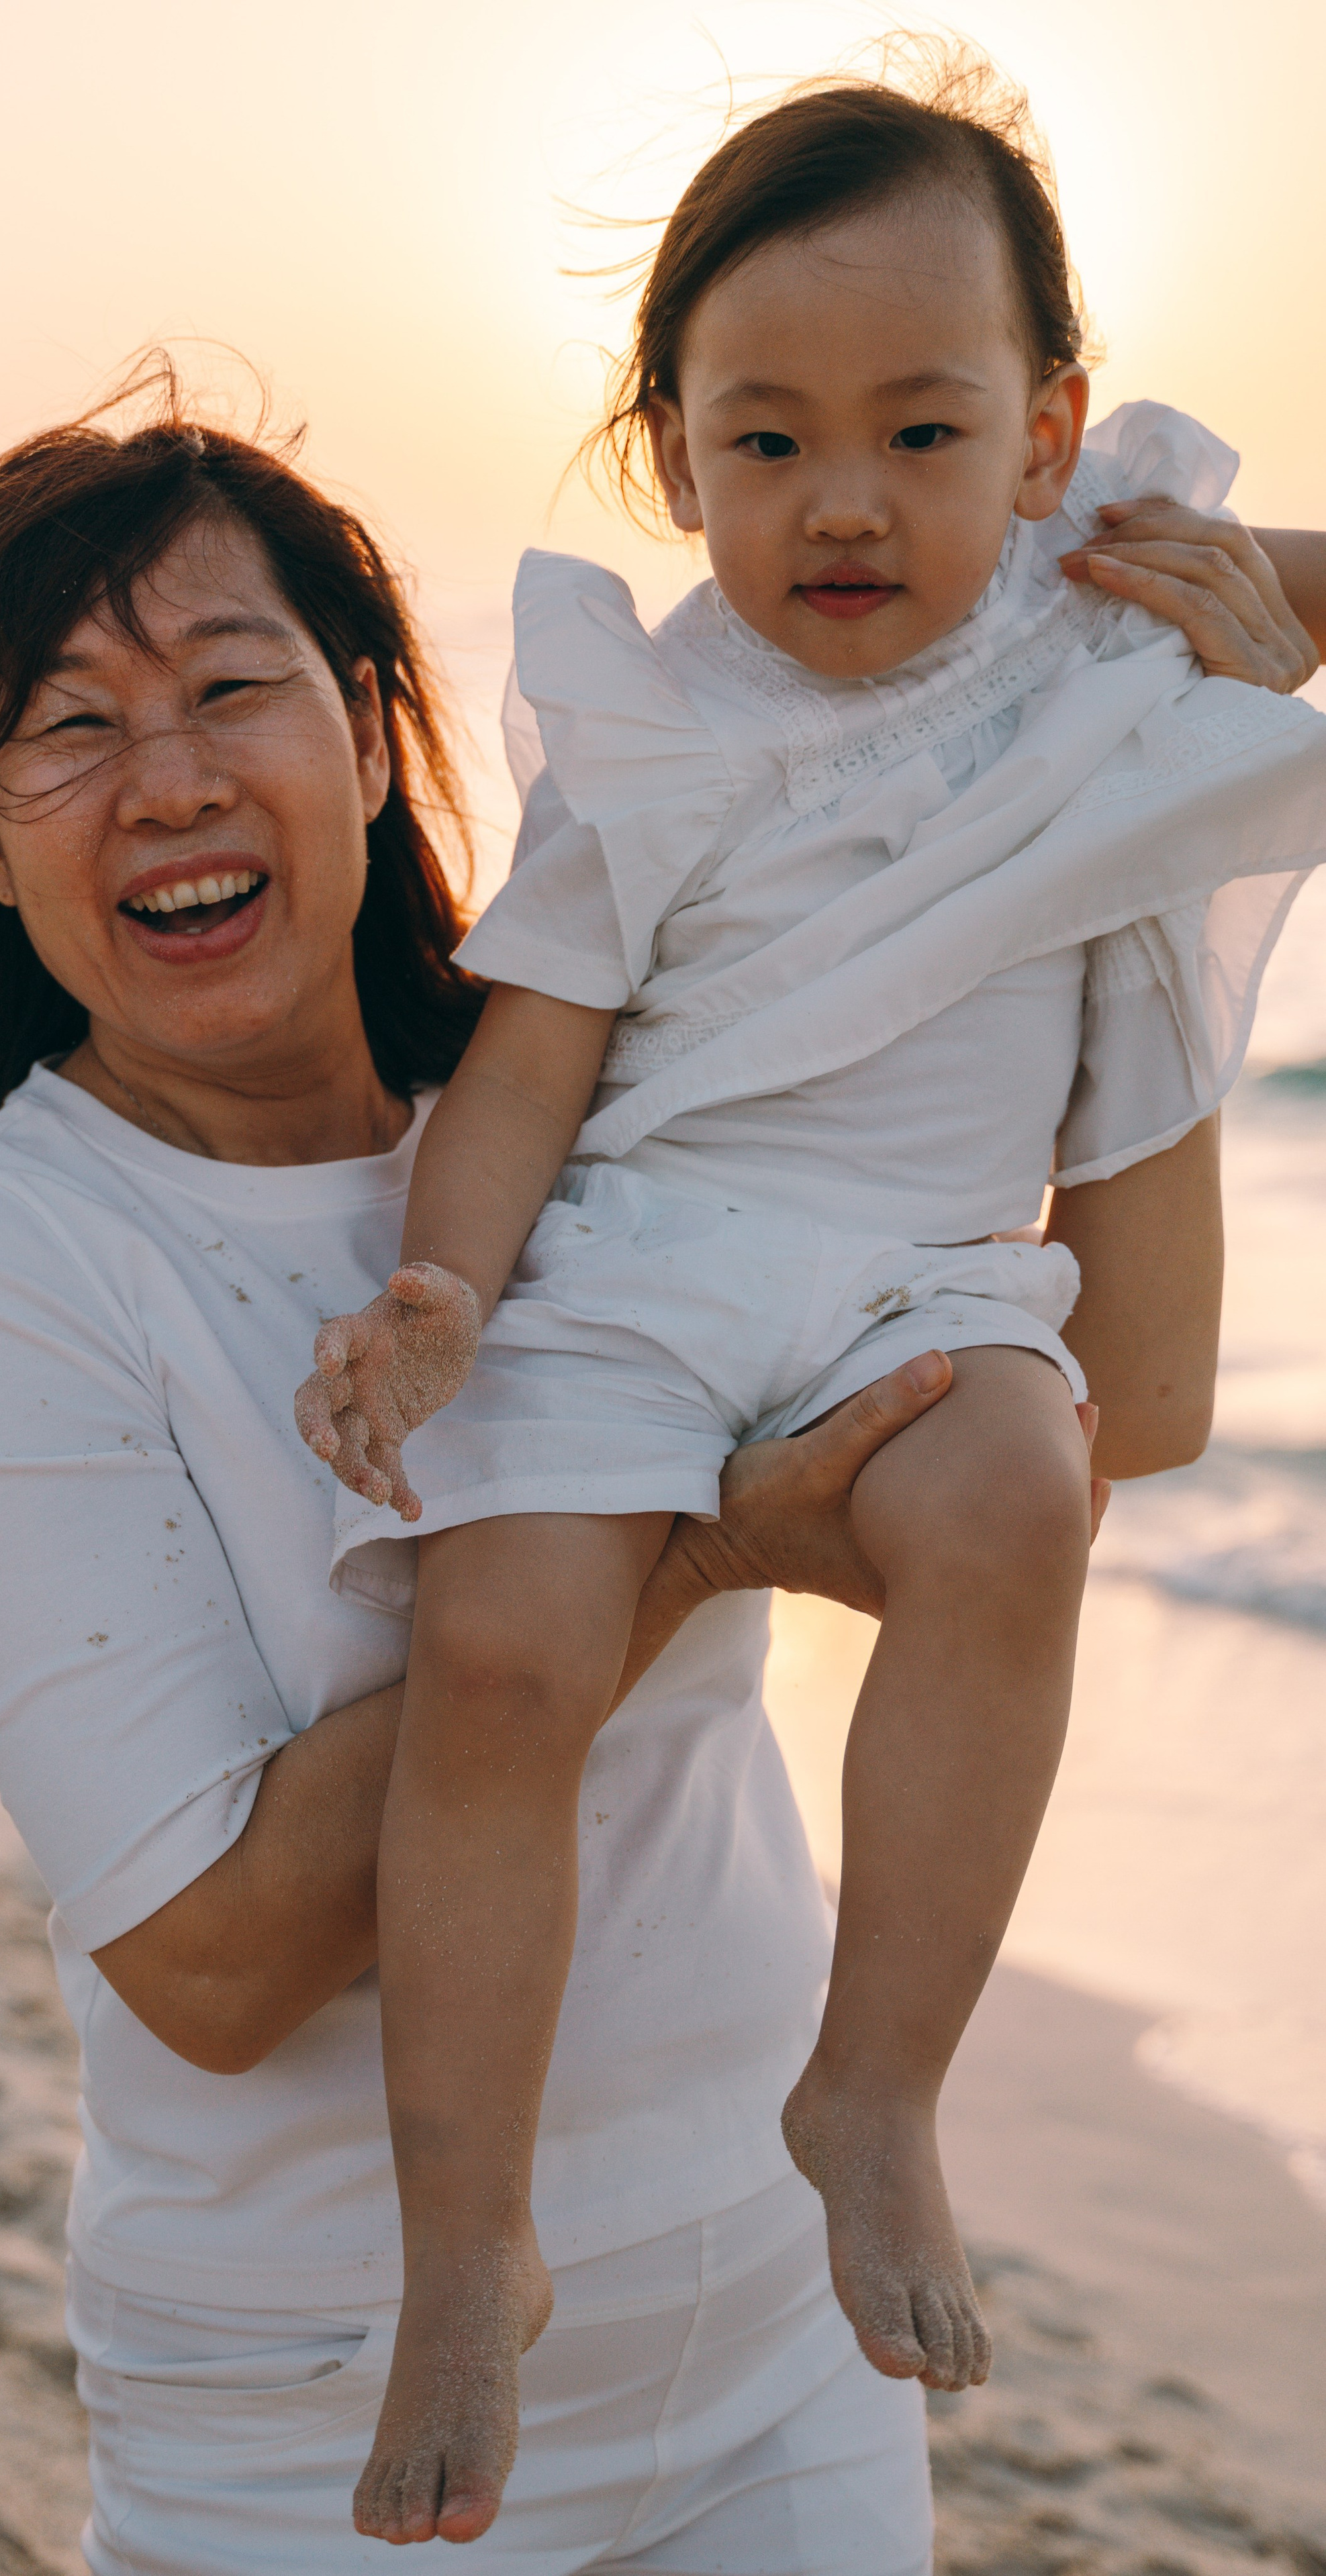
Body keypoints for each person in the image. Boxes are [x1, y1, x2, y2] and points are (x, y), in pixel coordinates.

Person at [0, 361, 1312, 2575]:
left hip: (781, 2326)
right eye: (68, 731)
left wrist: (1137, 846)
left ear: (374, 735)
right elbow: (209, 1966)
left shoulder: (610, 1105)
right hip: (313, 2402)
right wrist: (690, 1550)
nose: (172, 780)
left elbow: (1135, 1408)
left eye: (233, 685)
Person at [294, 60, 1326, 2546]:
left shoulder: (1101, 640)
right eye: (763, 443)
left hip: (927, 1285)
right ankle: (467, 2249)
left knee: (1019, 1504)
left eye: (923, 429)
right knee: (510, 1649)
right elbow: (534, 1049)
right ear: (671, 459)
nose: (843, 500)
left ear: (1054, 435)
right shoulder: (653, 723)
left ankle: (877, 2082)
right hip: (643, 1260)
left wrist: (1274, 604)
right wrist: (447, 1285)